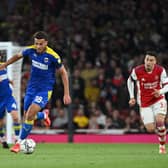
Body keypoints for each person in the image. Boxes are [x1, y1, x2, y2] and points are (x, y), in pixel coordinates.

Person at [0, 31, 72, 153]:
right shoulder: (31, 50)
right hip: (31, 88)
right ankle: (43, 115)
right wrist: (5, 65)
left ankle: (19, 143)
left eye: (40, 44)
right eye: (36, 43)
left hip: (44, 90)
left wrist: (66, 93)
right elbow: (17, 56)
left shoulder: (53, 56)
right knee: (28, 116)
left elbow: (64, 73)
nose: (38, 46)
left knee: (29, 114)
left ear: (46, 43)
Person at [127, 51, 168, 154]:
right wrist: (132, 97)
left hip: (158, 99)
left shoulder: (160, 70)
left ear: (155, 61)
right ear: (144, 60)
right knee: (150, 129)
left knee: (160, 121)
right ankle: (162, 130)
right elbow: (130, 81)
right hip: (144, 103)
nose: (148, 62)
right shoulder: (137, 71)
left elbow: (167, 85)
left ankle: (162, 146)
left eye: (151, 60)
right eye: (147, 59)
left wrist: (160, 91)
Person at [0, 60, 21, 149]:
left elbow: (4, 77)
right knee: (0, 123)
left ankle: (17, 139)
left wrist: (9, 81)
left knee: (15, 117)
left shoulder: (3, 66)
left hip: (8, 97)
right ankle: (3, 139)